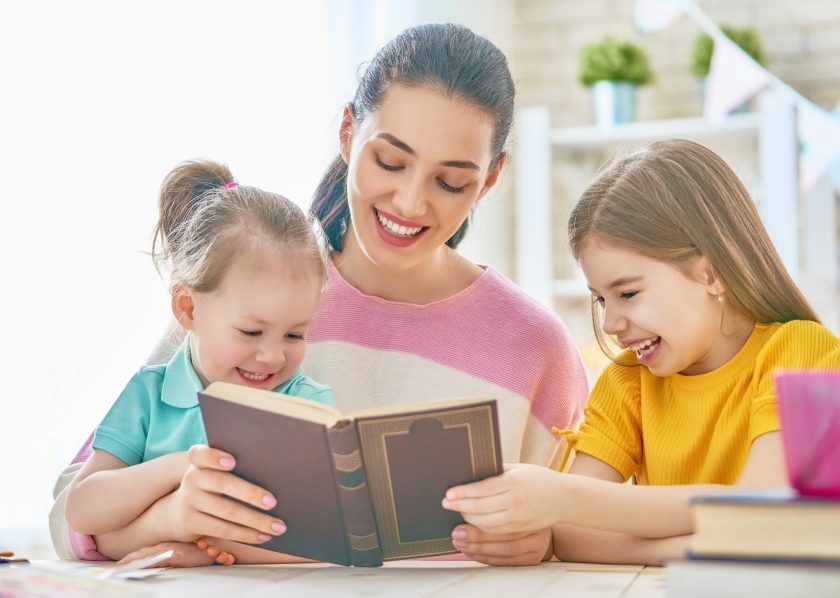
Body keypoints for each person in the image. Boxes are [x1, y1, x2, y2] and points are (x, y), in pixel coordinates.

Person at [51, 23, 589, 567]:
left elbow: (589, 533)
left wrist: (545, 543)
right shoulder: (249, 295)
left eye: (450, 182)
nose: (409, 202)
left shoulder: (535, 348)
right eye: (391, 162)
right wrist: (169, 517)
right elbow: (68, 514)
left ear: (491, 178)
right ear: (349, 132)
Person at [441, 139, 840, 565]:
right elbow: (572, 536)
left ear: (710, 272)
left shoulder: (800, 352)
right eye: (601, 300)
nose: (611, 323)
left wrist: (566, 498)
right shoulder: (627, 382)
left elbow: (758, 508)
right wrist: (707, 547)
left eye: (628, 293)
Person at [61, 160, 333, 566]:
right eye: (251, 333)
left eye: (295, 334)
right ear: (188, 308)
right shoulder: (149, 395)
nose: (274, 356)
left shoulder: (307, 407)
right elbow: (83, 512)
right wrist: (183, 466)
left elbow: (326, 542)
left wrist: (195, 541)